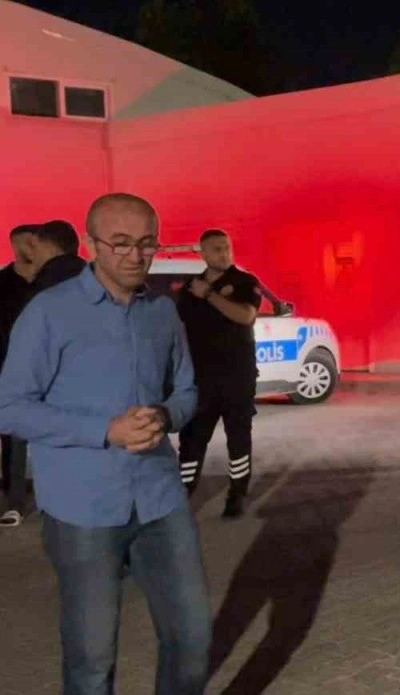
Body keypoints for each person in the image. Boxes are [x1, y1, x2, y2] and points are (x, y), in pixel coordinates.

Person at [0, 193, 210, 694]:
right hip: (83, 508)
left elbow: (186, 392)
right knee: (92, 660)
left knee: (192, 640)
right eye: (120, 243)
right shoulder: (49, 313)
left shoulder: (162, 312)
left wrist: (166, 414)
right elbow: (10, 407)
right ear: (91, 243)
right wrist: (105, 431)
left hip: (160, 498)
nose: (136, 256)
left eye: (146, 244)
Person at [176, 228, 262, 520]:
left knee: (238, 437)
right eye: (216, 249)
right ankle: (183, 493)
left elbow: (246, 315)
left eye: (226, 247)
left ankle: (236, 495)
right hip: (200, 379)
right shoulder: (190, 288)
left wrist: (210, 295)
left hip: (237, 378)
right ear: (202, 253)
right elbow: (178, 328)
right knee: (192, 438)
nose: (224, 253)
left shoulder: (245, 282)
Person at [0, 224, 39, 527]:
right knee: (13, 437)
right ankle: (14, 502)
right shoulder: (2, 283)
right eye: (23, 243)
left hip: (47, 368)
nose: (29, 248)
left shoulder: (50, 282)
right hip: (8, 369)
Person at [29, 219, 88, 292]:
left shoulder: (45, 284)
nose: (30, 254)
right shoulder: (94, 279)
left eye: (34, 247)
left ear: (50, 246)